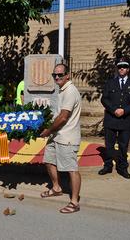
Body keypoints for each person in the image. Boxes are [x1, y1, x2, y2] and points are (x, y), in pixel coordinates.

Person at [40, 63, 82, 214]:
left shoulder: (70, 91)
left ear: (68, 75)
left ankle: (74, 201)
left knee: (71, 169)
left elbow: (63, 117)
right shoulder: (61, 90)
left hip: (67, 136)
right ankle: (56, 187)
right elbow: (58, 114)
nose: (57, 77)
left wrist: (48, 131)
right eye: (54, 75)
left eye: (60, 75)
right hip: (56, 134)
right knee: (49, 160)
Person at [99, 60, 130, 179]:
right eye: (120, 67)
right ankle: (107, 166)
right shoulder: (110, 83)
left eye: (124, 67)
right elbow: (104, 99)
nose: (122, 69)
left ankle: (122, 167)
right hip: (111, 118)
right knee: (109, 145)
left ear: (128, 69)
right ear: (117, 69)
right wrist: (114, 110)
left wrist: (124, 111)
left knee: (123, 146)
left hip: (126, 120)